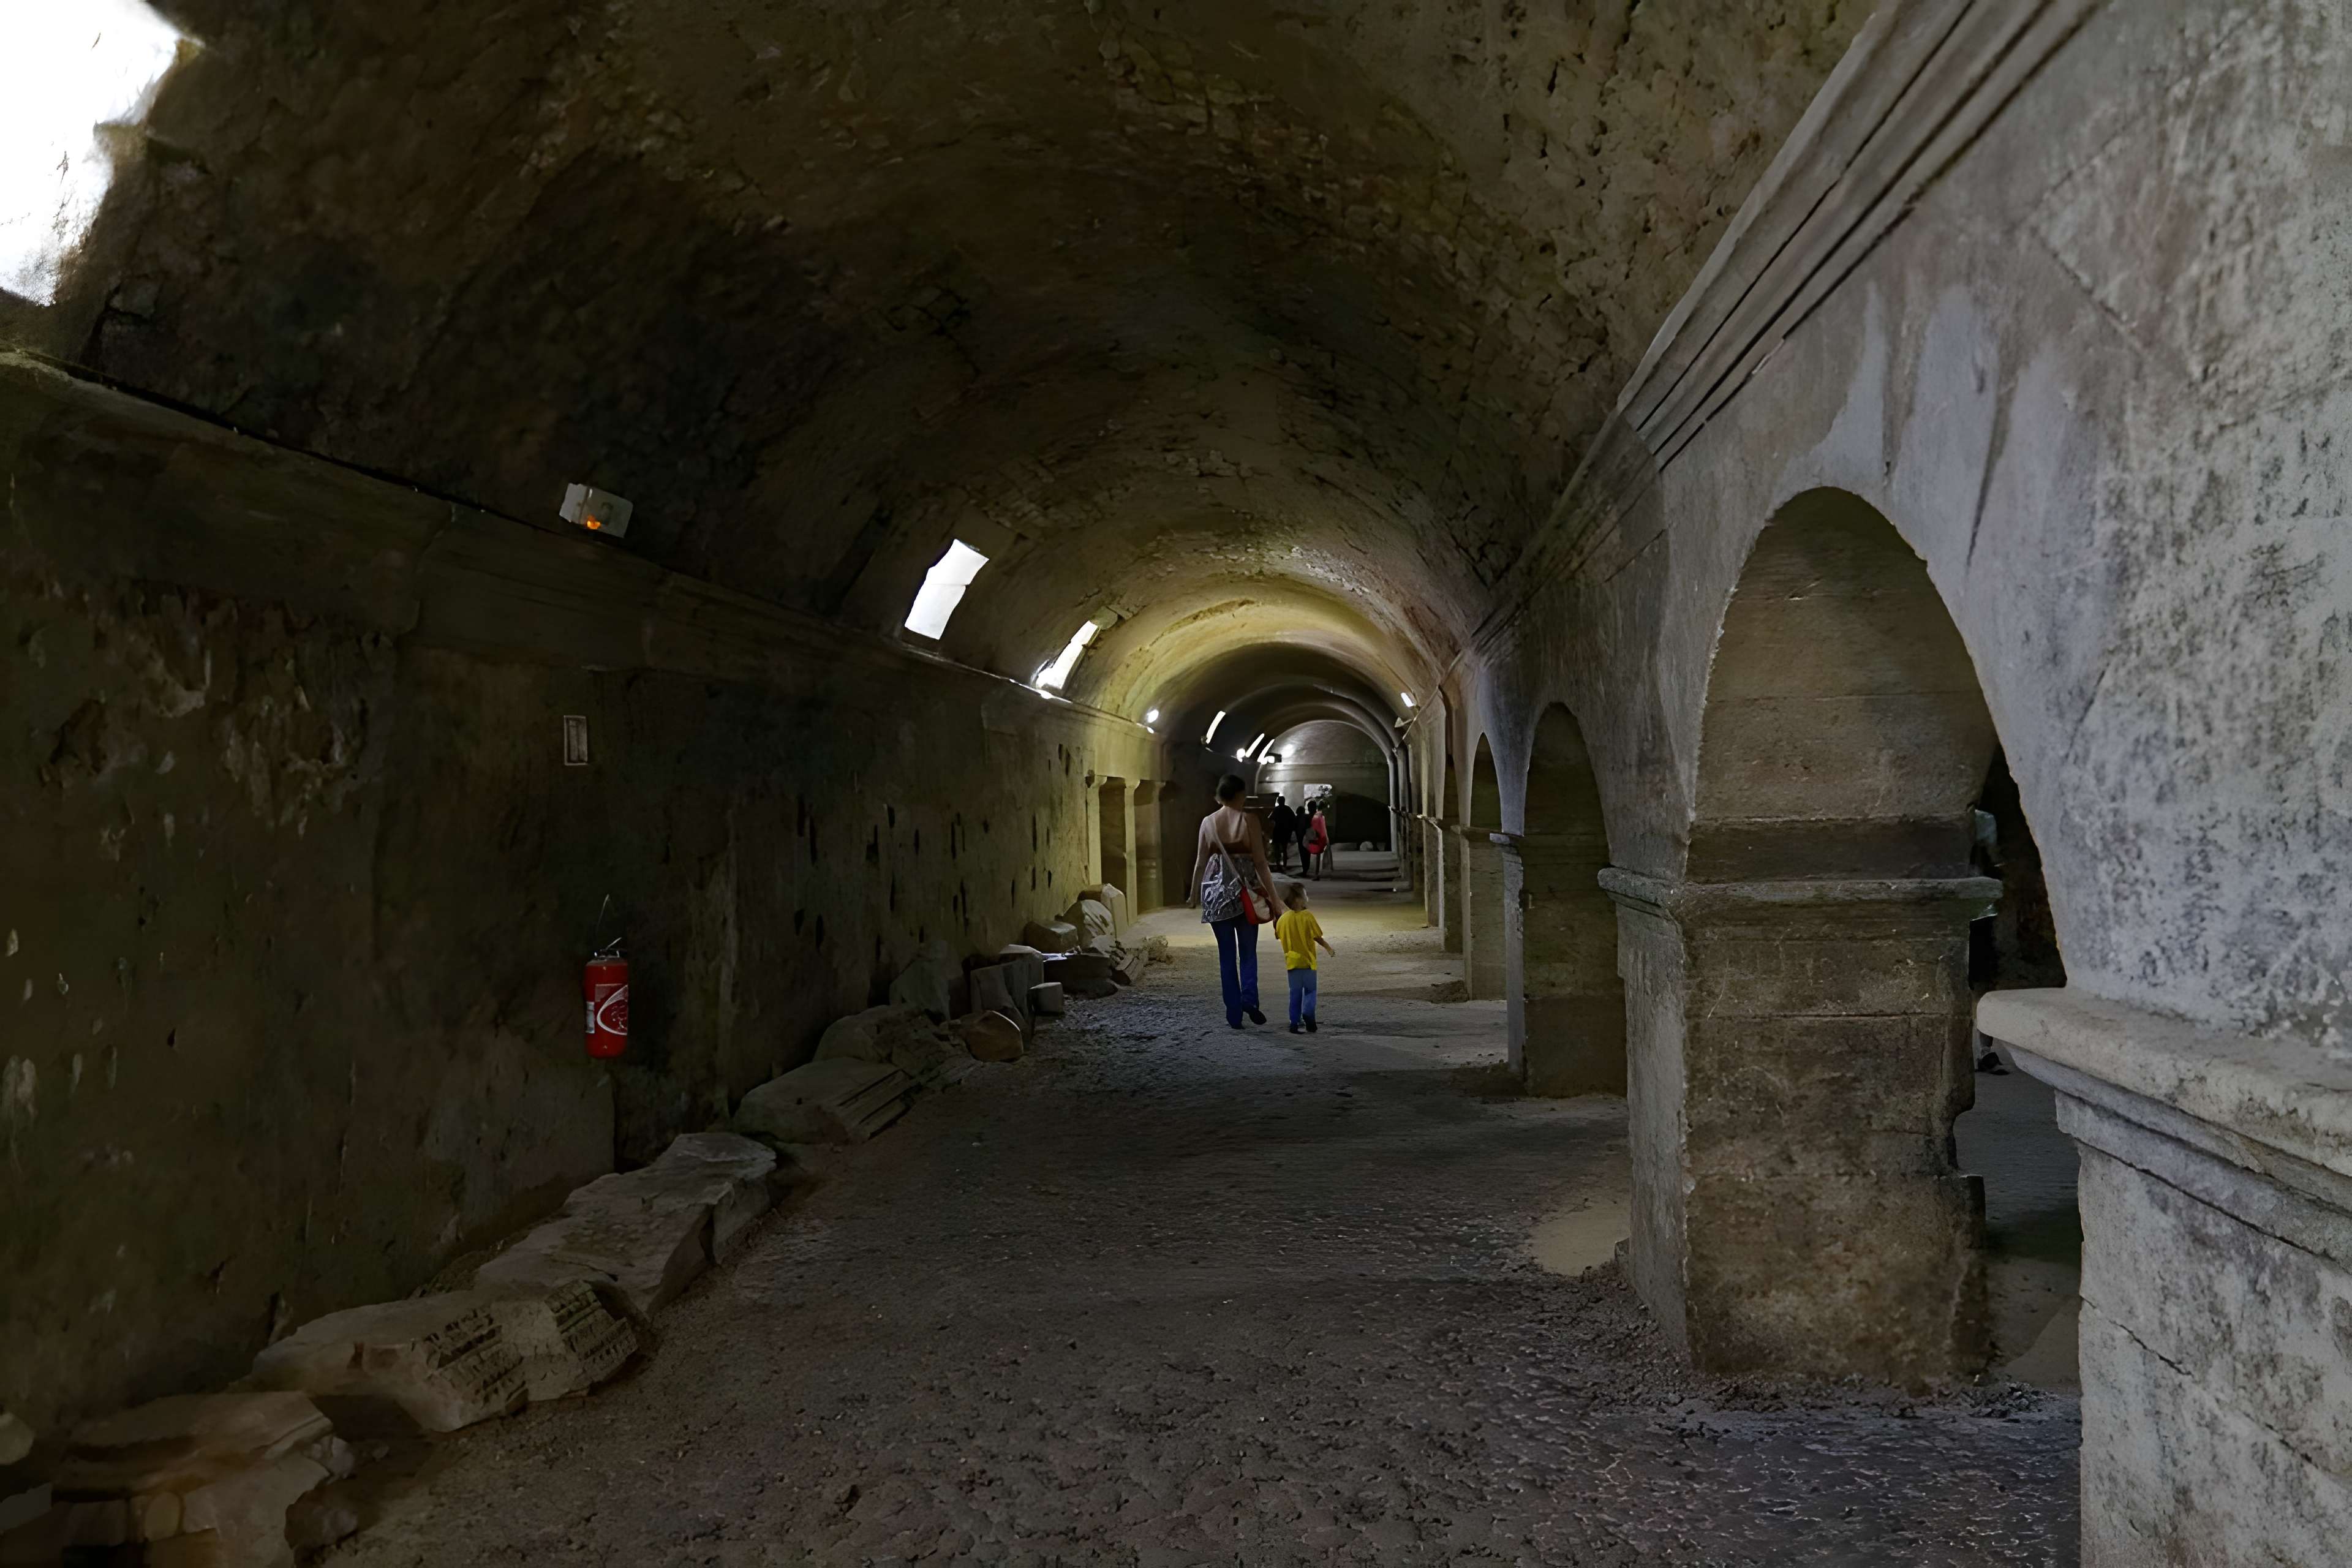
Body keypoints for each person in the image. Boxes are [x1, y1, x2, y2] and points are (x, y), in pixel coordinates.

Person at [1188, 773, 1278, 1027]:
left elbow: (1200, 862)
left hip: (1216, 897)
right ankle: (1249, 998)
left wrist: (1193, 895)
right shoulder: (1250, 820)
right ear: (1241, 795)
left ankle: (1234, 1013)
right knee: (1248, 953)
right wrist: (1275, 899)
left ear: (1219, 796)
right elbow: (1261, 863)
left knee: (1226, 956)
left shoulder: (1208, 822)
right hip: (1245, 894)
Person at [1275, 881, 1335, 1033]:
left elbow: (1278, 935)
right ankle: (1309, 1015)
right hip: (1308, 962)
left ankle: (1294, 1023)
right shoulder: (1307, 917)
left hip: (1292, 962)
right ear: (1298, 899)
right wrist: (1329, 948)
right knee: (1310, 991)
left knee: (1295, 994)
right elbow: (1317, 937)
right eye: (1305, 895)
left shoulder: (1283, 920)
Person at [1267, 796, 1299, 875]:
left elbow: (1270, 818)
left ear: (1279, 802)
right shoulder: (1288, 809)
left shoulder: (1276, 809)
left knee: (1277, 850)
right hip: (1285, 832)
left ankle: (1279, 865)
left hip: (1277, 831)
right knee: (1284, 850)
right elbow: (1294, 818)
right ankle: (1284, 865)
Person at [1302, 802, 1330, 879]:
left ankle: (1315, 873)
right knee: (1314, 857)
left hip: (1315, 839)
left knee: (1314, 857)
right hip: (1313, 838)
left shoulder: (1314, 817)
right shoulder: (1318, 817)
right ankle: (1315, 873)